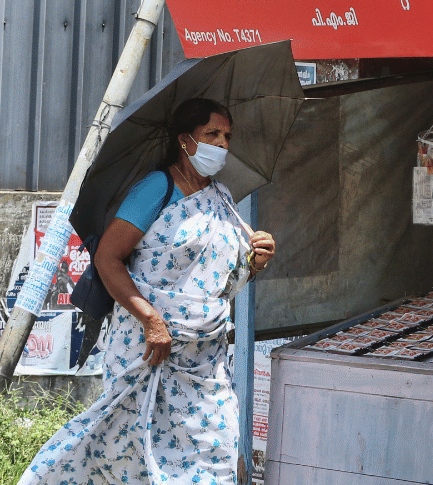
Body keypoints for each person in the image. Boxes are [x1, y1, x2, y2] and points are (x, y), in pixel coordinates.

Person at [18, 98, 276, 485]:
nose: (222, 144)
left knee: (215, 443)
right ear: (185, 140)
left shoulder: (221, 197)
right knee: (128, 444)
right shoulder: (157, 187)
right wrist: (151, 320)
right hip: (150, 347)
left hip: (205, 359)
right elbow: (108, 258)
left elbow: (222, 285)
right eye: (212, 134)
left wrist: (254, 263)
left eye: (227, 136)